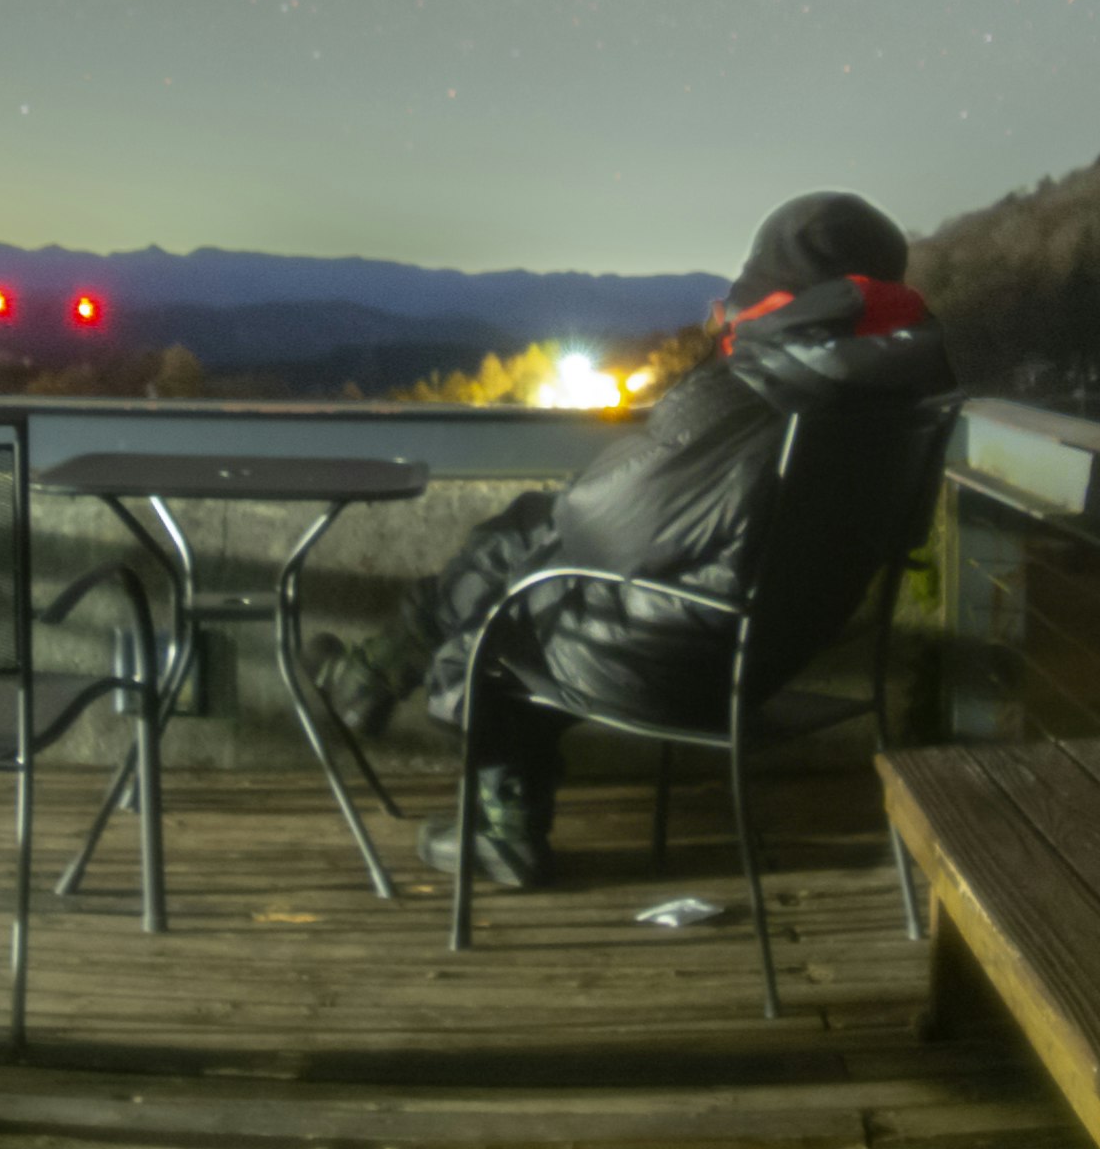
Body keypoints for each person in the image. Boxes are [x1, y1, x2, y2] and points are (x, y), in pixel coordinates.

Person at [401, 193, 954, 889]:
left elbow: (598, 523)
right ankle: (387, 665)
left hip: (682, 669)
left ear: (772, 285)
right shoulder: (900, 399)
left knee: (514, 597)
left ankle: (500, 822)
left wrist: (552, 536)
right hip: (784, 651)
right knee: (533, 538)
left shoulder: (754, 392)